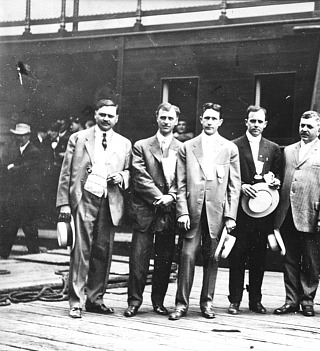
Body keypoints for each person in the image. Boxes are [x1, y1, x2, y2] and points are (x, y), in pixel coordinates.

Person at [56, 99, 132, 318]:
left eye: (111, 115)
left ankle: (95, 299)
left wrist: (121, 176)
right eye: (102, 114)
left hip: (109, 201)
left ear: (117, 118)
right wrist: (64, 204)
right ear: (96, 115)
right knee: (81, 250)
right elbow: (66, 173)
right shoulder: (78, 138)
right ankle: (76, 302)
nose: (106, 119)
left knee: (103, 251)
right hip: (83, 199)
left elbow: (129, 171)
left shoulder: (124, 143)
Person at [169, 103, 241, 321]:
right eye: (206, 118)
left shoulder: (229, 149)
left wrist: (230, 216)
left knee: (213, 257)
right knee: (187, 256)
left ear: (220, 122)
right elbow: (179, 183)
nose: (210, 122)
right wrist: (182, 211)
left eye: (214, 119)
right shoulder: (187, 147)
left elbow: (234, 186)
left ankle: (207, 302)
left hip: (217, 213)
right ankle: (181, 304)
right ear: (201, 120)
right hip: (192, 212)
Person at [273, 110, 320, 317]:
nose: (304, 129)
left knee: (311, 260)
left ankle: (307, 300)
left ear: (319, 129)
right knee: (290, 259)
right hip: (287, 213)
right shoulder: (288, 151)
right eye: (302, 125)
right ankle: (291, 300)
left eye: (309, 126)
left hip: (312, 215)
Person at [124, 103, 183, 318]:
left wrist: (172, 197)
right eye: (163, 117)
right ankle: (134, 302)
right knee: (138, 259)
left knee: (164, 260)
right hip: (145, 211)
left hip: (168, 212)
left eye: (170, 118)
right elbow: (139, 176)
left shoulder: (182, 148)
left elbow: (182, 179)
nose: (166, 122)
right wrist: (160, 198)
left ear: (176, 121)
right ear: (156, 118)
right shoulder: (141, 146)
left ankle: (158, 302)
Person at [227, 106, 283, 315]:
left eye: (260, 122)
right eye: (252, 121)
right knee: (238, 255)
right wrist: (242, 185)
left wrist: (276, 181)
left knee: (259, 257)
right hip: (241, 211)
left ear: (265, 124)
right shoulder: (234, 146)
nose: (256, 125)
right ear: (246, 122)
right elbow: (228, 175)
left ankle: (255, 300)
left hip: (262, 212)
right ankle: (235, 300)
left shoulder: (273, 148)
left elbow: (278, 174)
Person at [0, 123, 44, 258]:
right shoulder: (17, 149)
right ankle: (3, 254)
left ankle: (35, 254)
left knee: (29, 227)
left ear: (28, 136)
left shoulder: (33, 151)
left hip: (29, 196)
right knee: (10, 227)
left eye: (21, 136)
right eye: (17, 136)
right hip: (17, 196)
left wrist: (13, 167)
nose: (18, 138)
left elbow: (24, 169)